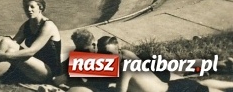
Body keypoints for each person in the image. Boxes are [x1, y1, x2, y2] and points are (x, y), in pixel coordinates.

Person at [98, 36, 233, 92]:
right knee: (199, 84)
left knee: (197, 81)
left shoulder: (125, 67)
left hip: (172, 88)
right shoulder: (124, 61)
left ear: (118, 50)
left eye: (110, 54)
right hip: (172, 86)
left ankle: (221, 65)